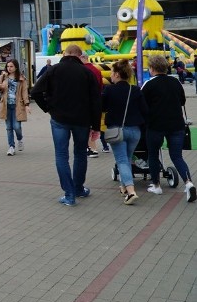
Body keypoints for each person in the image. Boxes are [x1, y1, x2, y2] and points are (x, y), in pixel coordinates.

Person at [30, 44, 101, 206]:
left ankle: (69, 195)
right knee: (81, 153)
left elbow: (35, 92)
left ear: (65, 53)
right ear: (79, 55)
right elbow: (96, 101)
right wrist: (96, 126)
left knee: (61, 155)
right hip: (82, 120)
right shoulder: (87, 72)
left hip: (59, 119)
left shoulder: (53, 70)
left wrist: (48, 108)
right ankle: (78, 188)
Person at [142, 54, 194, 202]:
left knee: (153, 154)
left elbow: (142, 103)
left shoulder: (149, 84)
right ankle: (189, 183)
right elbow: (182, 101)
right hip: (176, 125)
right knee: (177, 156)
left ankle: (156, 185)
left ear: (152, 69)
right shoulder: (175, 82)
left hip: (155, 126)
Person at [102, 59, 148, 205]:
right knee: (126, 159)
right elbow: (145, 110)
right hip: (135, 131)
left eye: (111, 73)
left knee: (121, 160)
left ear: (116, 74)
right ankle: (123, 187)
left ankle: (131, 191)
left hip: (117, 131)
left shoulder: (109, 90)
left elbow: (102, 107)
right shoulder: (135, 90)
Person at [0, 59, 30, 156]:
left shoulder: (21, 78)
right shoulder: (4, 77)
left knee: (17, 127)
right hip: (6, 105)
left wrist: (27, 105)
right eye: (8, 66)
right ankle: (11, 147)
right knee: (9, 127)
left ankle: (20, 139)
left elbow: (24, 92)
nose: (9, 68)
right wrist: (1, 81)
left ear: (16, 67)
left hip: (17, 106)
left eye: (11, 66)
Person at [80, 53, 104, 157]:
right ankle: (93, 147)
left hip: (84, 102)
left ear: (82, 57)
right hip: (96, 101)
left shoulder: (81, 70)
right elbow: (101, 87)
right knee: (94, 125)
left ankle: (90, 148)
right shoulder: (97, 70)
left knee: (85, 126)